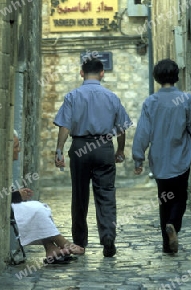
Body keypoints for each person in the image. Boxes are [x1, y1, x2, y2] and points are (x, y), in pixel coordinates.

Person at [53, 57, 131, 257]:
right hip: (103, 147)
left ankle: (80, 242)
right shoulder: (112, 97)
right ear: (102, 73)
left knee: (79, 196)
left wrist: (59, 149)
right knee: (106, 195)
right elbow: (121, 129)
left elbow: (65, 126)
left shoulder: (73, 96)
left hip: (80, 148)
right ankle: (108, 239)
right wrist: (120, 150)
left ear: (81, 73)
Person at [132, 59, 191, 254]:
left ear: (157, 78)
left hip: (160, 160)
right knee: (180, 197)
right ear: (176, 76)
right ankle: (173, 225)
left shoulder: (151, 102)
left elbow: (143, 133)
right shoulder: (186, 99)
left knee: (164, 199)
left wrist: (139, 158)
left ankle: (166, 244)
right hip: (181, 157)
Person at [11, 131, 85, 264]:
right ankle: (63, 242)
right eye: (16, 146)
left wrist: (17, 193)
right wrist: (16, 195)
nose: (19, 149)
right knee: (38, 210)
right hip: (7, 206)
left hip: (10, 204)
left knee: (42, 207)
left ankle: (51, 248)